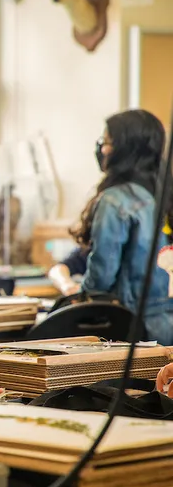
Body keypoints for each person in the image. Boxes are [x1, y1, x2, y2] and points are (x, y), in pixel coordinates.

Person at [76, 109, 173, 344]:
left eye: (107, 142)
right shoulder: (164, 195)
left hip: (133, 328)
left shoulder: (115, 201)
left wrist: (77, 293)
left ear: (125, 149)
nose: (102, 149)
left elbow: (101, 278)